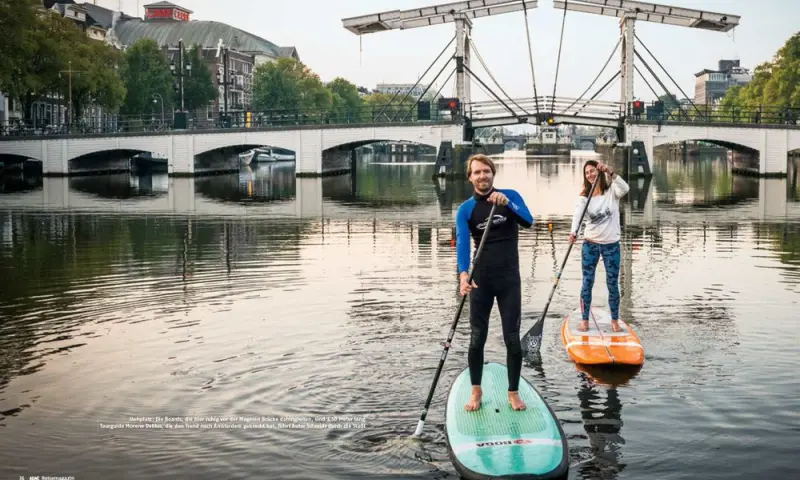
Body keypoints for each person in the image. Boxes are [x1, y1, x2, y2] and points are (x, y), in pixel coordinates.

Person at [455, 154, 533, 412]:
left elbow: (528, 221)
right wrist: (463, 275)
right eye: (476, 172)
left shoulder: (510, 195)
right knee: (477, 338)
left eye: (486, 171)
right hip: (481, 281)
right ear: (470, 177)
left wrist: (508, 203)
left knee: (512, 338)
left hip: (509, 279)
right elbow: (463, 246)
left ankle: (512, 392)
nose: (482, 176)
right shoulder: (466, 210)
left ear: (493, 173)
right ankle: (476, 391)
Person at [568, 160, 630, 333]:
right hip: (591, 245)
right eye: (587, 173)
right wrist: (573, 232)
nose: (590, 175)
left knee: (612, 284)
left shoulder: (612, 191)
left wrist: (611, 172)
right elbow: (577, 216)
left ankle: (615, 320)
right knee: (587, 282)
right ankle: (585, 319)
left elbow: (625, 189)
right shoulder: (584, 197)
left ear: (599, 172)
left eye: (593, 171)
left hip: (611, 245)